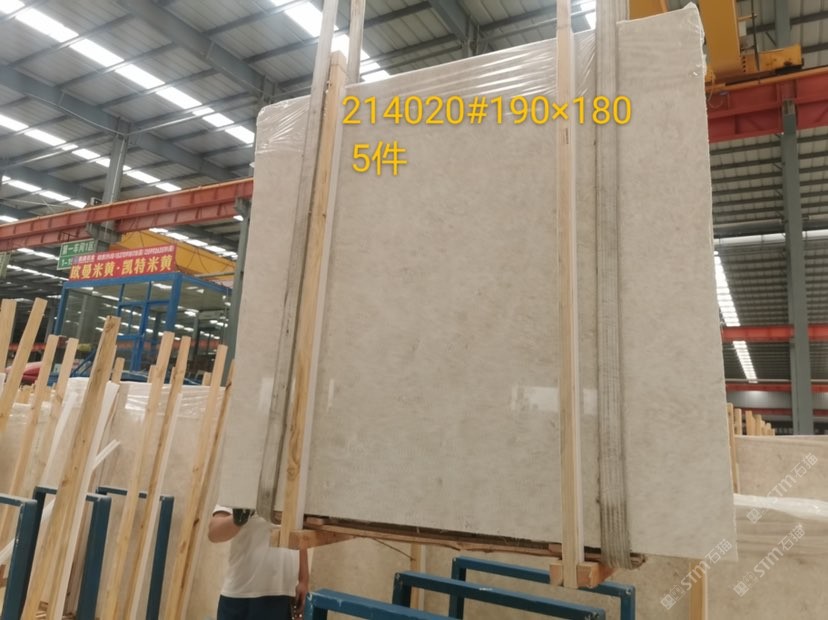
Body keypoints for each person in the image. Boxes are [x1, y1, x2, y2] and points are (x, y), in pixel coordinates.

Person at [208, 506, 309, 620]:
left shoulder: (297, 496)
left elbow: (299, 534)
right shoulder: (240, 494)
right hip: (243, 596)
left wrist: (303, 580)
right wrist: (237, 518)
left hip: (283, 595)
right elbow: (213, 532)